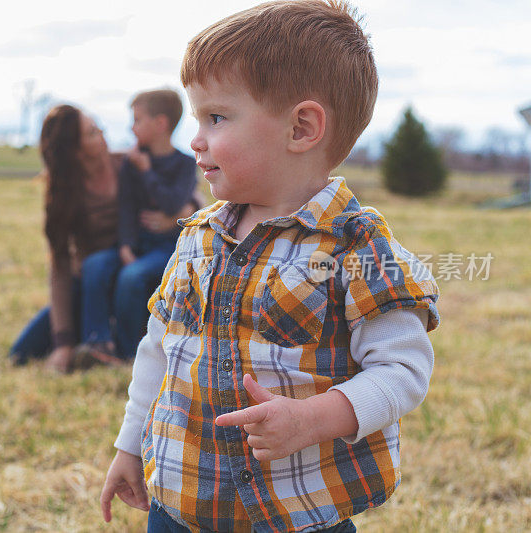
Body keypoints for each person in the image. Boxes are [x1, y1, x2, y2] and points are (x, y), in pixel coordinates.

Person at [100, 2, 441, 532]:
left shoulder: (354, 249)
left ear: (301, 128)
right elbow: (159, 348)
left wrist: (313, 419)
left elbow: (404, 370)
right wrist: (129, 445)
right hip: (181, 499)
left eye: (216, 117)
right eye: (196, 117)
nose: (196, 139)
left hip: (294, 512)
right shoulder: (198, 237)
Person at [8, 104, 192, 373]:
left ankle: (112, 347)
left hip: (132, 263)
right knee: (21, 352)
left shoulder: (126, 164)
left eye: (99, 127)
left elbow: (180, 193)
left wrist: (182, 211)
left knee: (128, 283)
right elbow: (59, 266)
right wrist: (62, 342)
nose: (104, 135)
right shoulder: (63, 192)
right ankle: (93, 342)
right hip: (92, 280)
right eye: (93, 133)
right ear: (75, 149)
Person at [77, 89, 197, 360]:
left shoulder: (185, 165)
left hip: (166, 248)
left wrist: (147, 172)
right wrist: (126, 246)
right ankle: (97, 342)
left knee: (131, 277)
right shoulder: (131, 164)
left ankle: (129, 352)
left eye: (137, 120)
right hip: (137, 243)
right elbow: (127, 208)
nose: (132, 127)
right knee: (94, 266)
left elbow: (171, 204)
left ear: (160, 124)